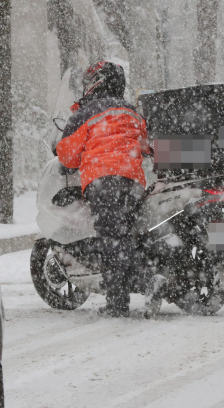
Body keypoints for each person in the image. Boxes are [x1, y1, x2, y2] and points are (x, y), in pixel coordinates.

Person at [56, 61, 151, 318]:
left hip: (102, 180)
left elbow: (66, 154)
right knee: (128, 234)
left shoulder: (85, 113)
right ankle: (146, 277)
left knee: (110, 239)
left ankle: (117, 303)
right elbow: (146, 145)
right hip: (132, 181)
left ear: (95, 82)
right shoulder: (132, 111)